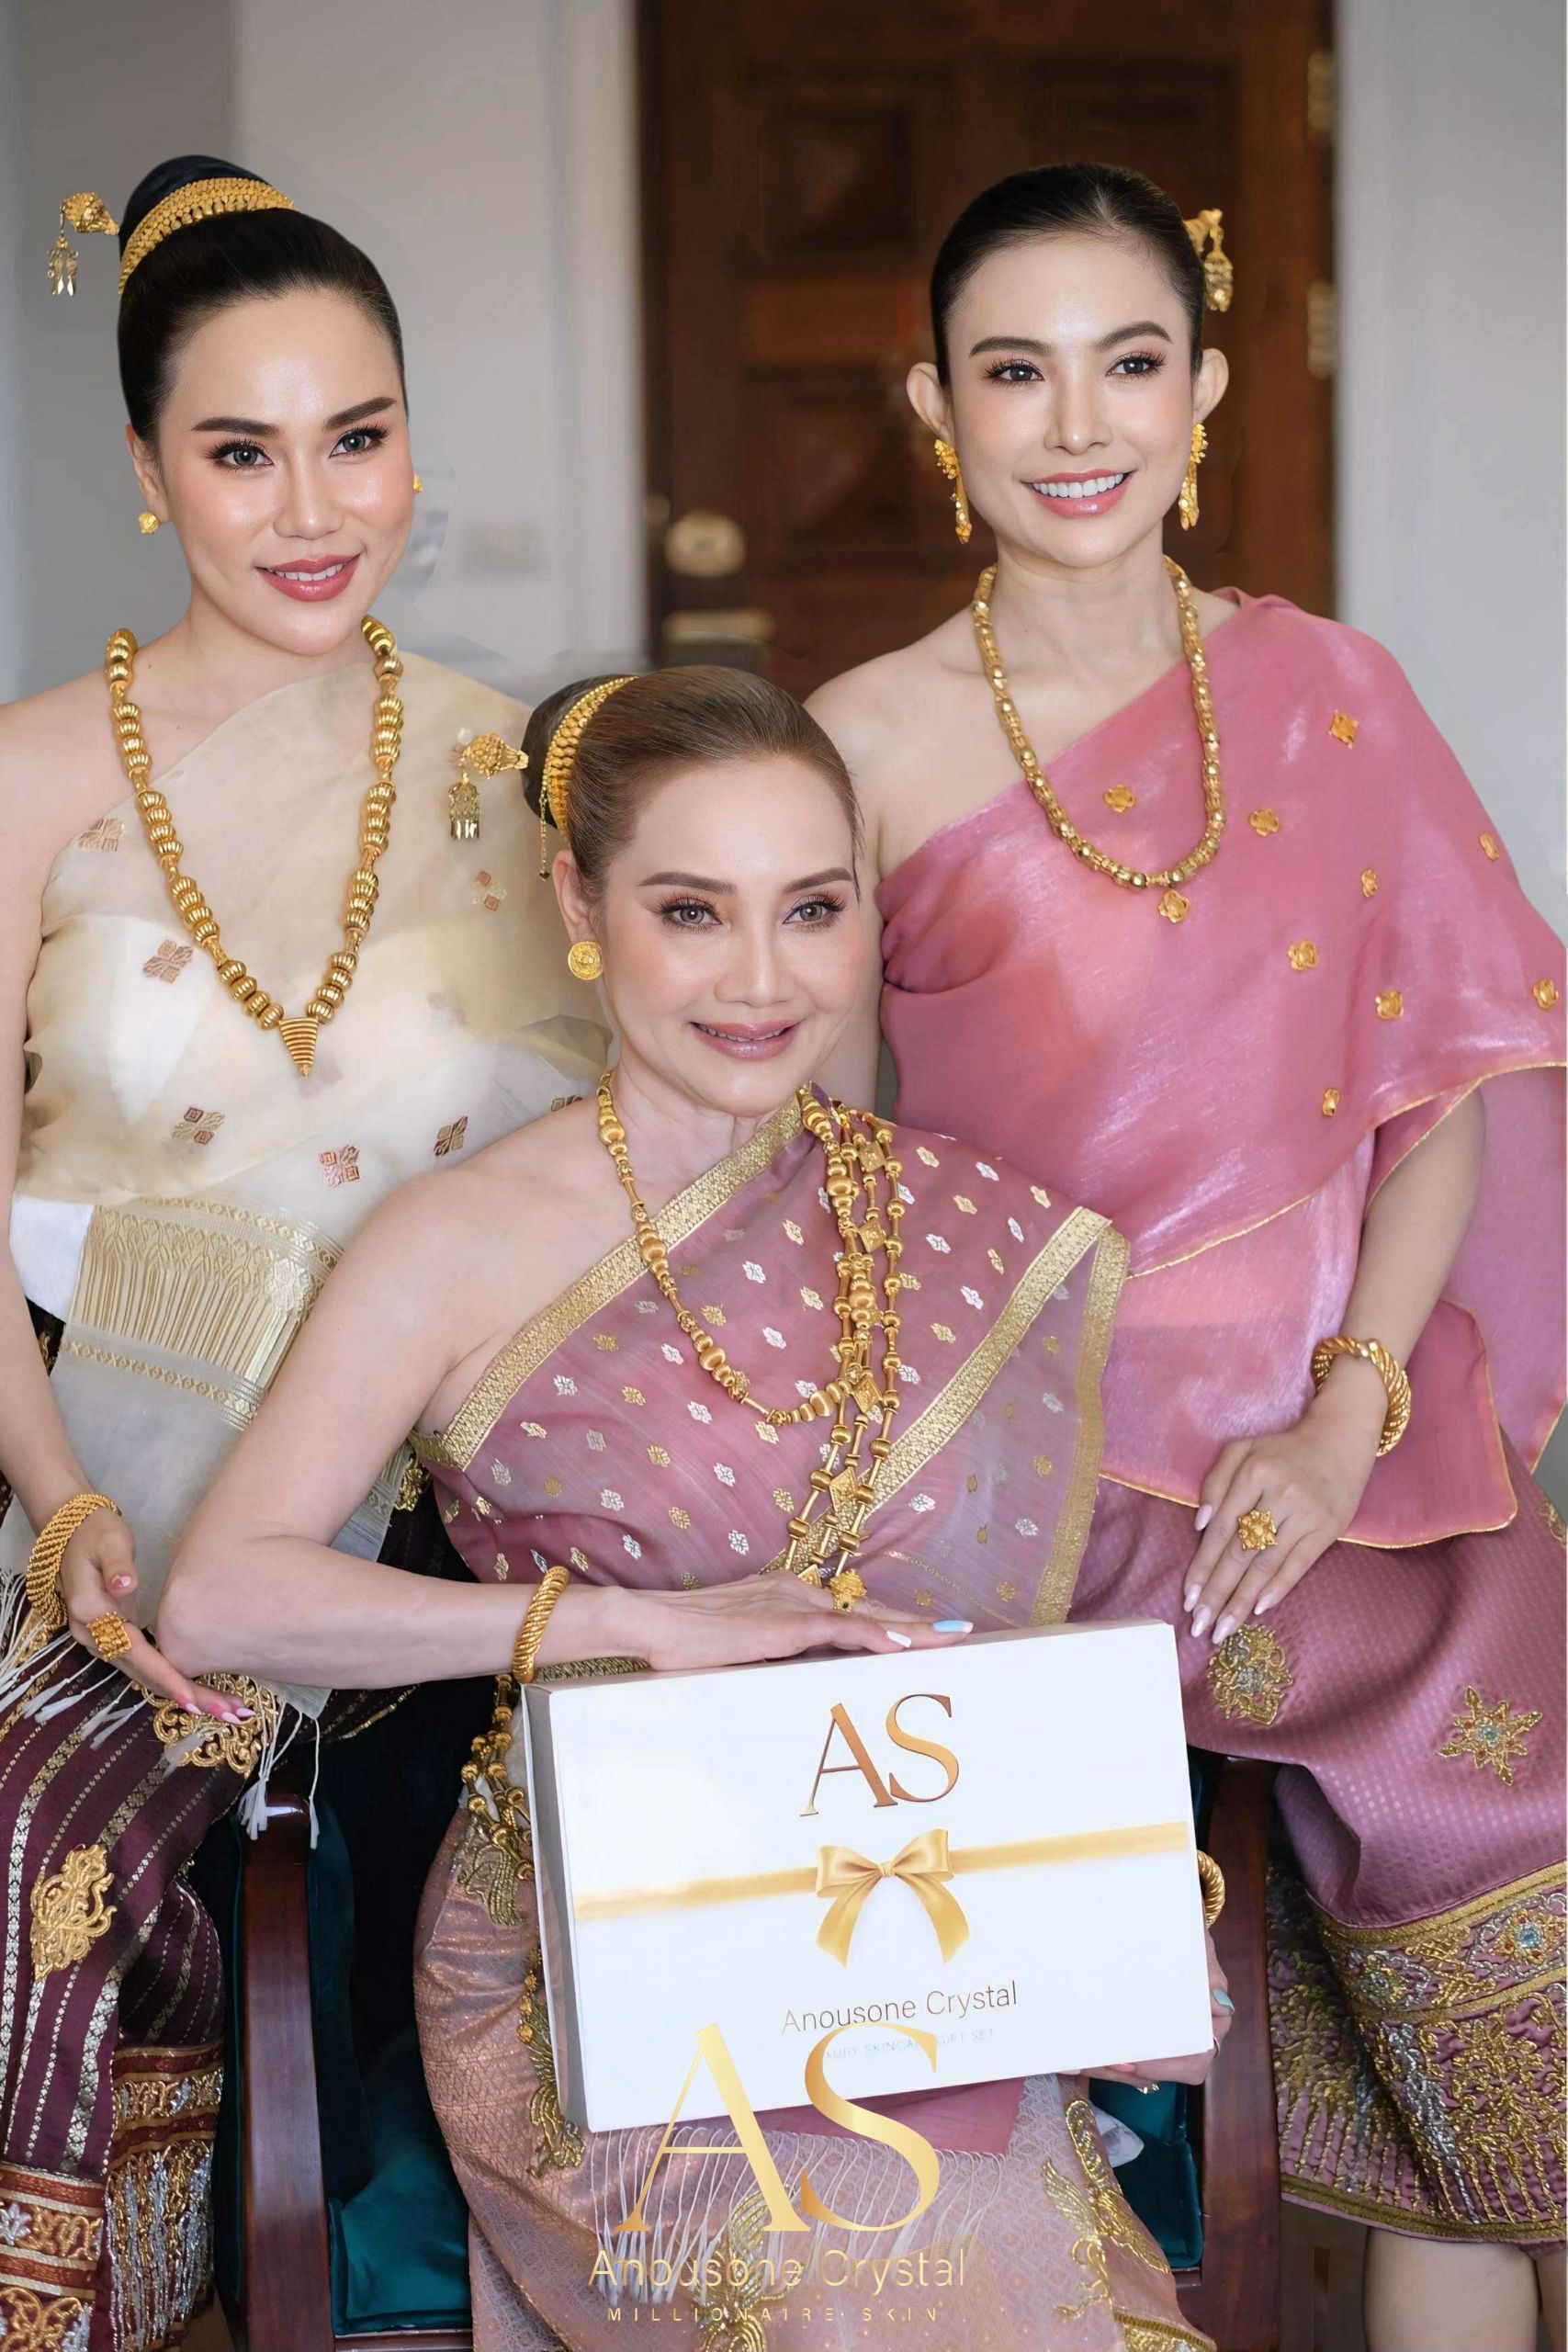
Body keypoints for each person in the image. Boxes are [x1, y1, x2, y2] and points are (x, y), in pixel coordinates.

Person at [164, 664, 1232, 2351]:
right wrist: (635, 1628)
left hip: (917, 1918)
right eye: (690, 912)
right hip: (611, 1938)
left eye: (812, 909)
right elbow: (223, 1595)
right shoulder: (459, 1242)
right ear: (579, 910)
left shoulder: (959, 1224)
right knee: (843, 2299)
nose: (761, 979)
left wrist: (1107, 1893)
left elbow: (1063, 1626)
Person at [806, 162, 1566, 2352]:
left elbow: (1441, 1095)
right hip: (1041, 1487)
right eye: (1012, 371)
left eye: (1126, 363)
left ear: (1204, 387)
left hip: (1357, 1441)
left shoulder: (1330, 689)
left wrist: (1339, 1414)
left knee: (1506, 1870)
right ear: (932, 405)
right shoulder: (858, 745)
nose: (1076, 426)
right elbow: (821, 1171)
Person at [0, 156, 605, 2346]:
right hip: (98, 1470)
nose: (310, 506)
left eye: (356, 435)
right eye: (240, 450)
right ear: (145, 465)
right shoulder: (30, 777)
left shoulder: (520, 768)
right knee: (51, 1862)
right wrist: (62, 1501)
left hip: (454, 1493)